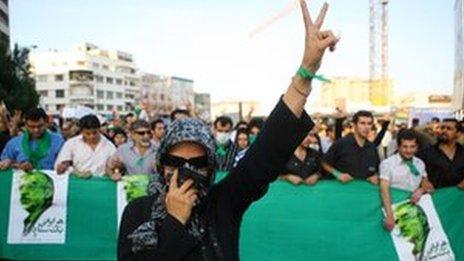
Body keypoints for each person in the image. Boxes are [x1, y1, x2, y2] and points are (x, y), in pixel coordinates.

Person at [117, 1, 339, 260]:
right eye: (175, 162)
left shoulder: (221, 204)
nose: (186, 173)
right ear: (161, 163)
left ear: (210, 166)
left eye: (197, 163)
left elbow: (265, 155)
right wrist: (175, 221)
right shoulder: (138, 212)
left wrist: (306, 70)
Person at [379, 129, 434, 231]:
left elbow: (428, 185)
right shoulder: (387, 164)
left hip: (413, 211)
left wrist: (421, 190)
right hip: (394, 209)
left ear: (417, 147)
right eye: (405, 147)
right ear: (398, 146)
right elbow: (384, 190)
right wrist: (389, 215)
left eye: (412, 147)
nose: (409, 151)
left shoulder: (420, 163)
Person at [322, 110, 380, 184]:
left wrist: (375, 176)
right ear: (354, 125)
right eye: (362, 123)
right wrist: (337, 174)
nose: (366, 127)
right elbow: (324, 162)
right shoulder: (341, 143)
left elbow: (377, 169)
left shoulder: (372, 147)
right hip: (343, 191)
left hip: (364, 192)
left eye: (369, 124)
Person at [417, 119, 464, 189]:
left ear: (458, 133)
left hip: (458, 197)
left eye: (449, 129)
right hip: (434, 196)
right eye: (442, 128)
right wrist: (423, 181)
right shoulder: (426, 152)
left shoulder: (462, 152)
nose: (444, 131)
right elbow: (415, 170)